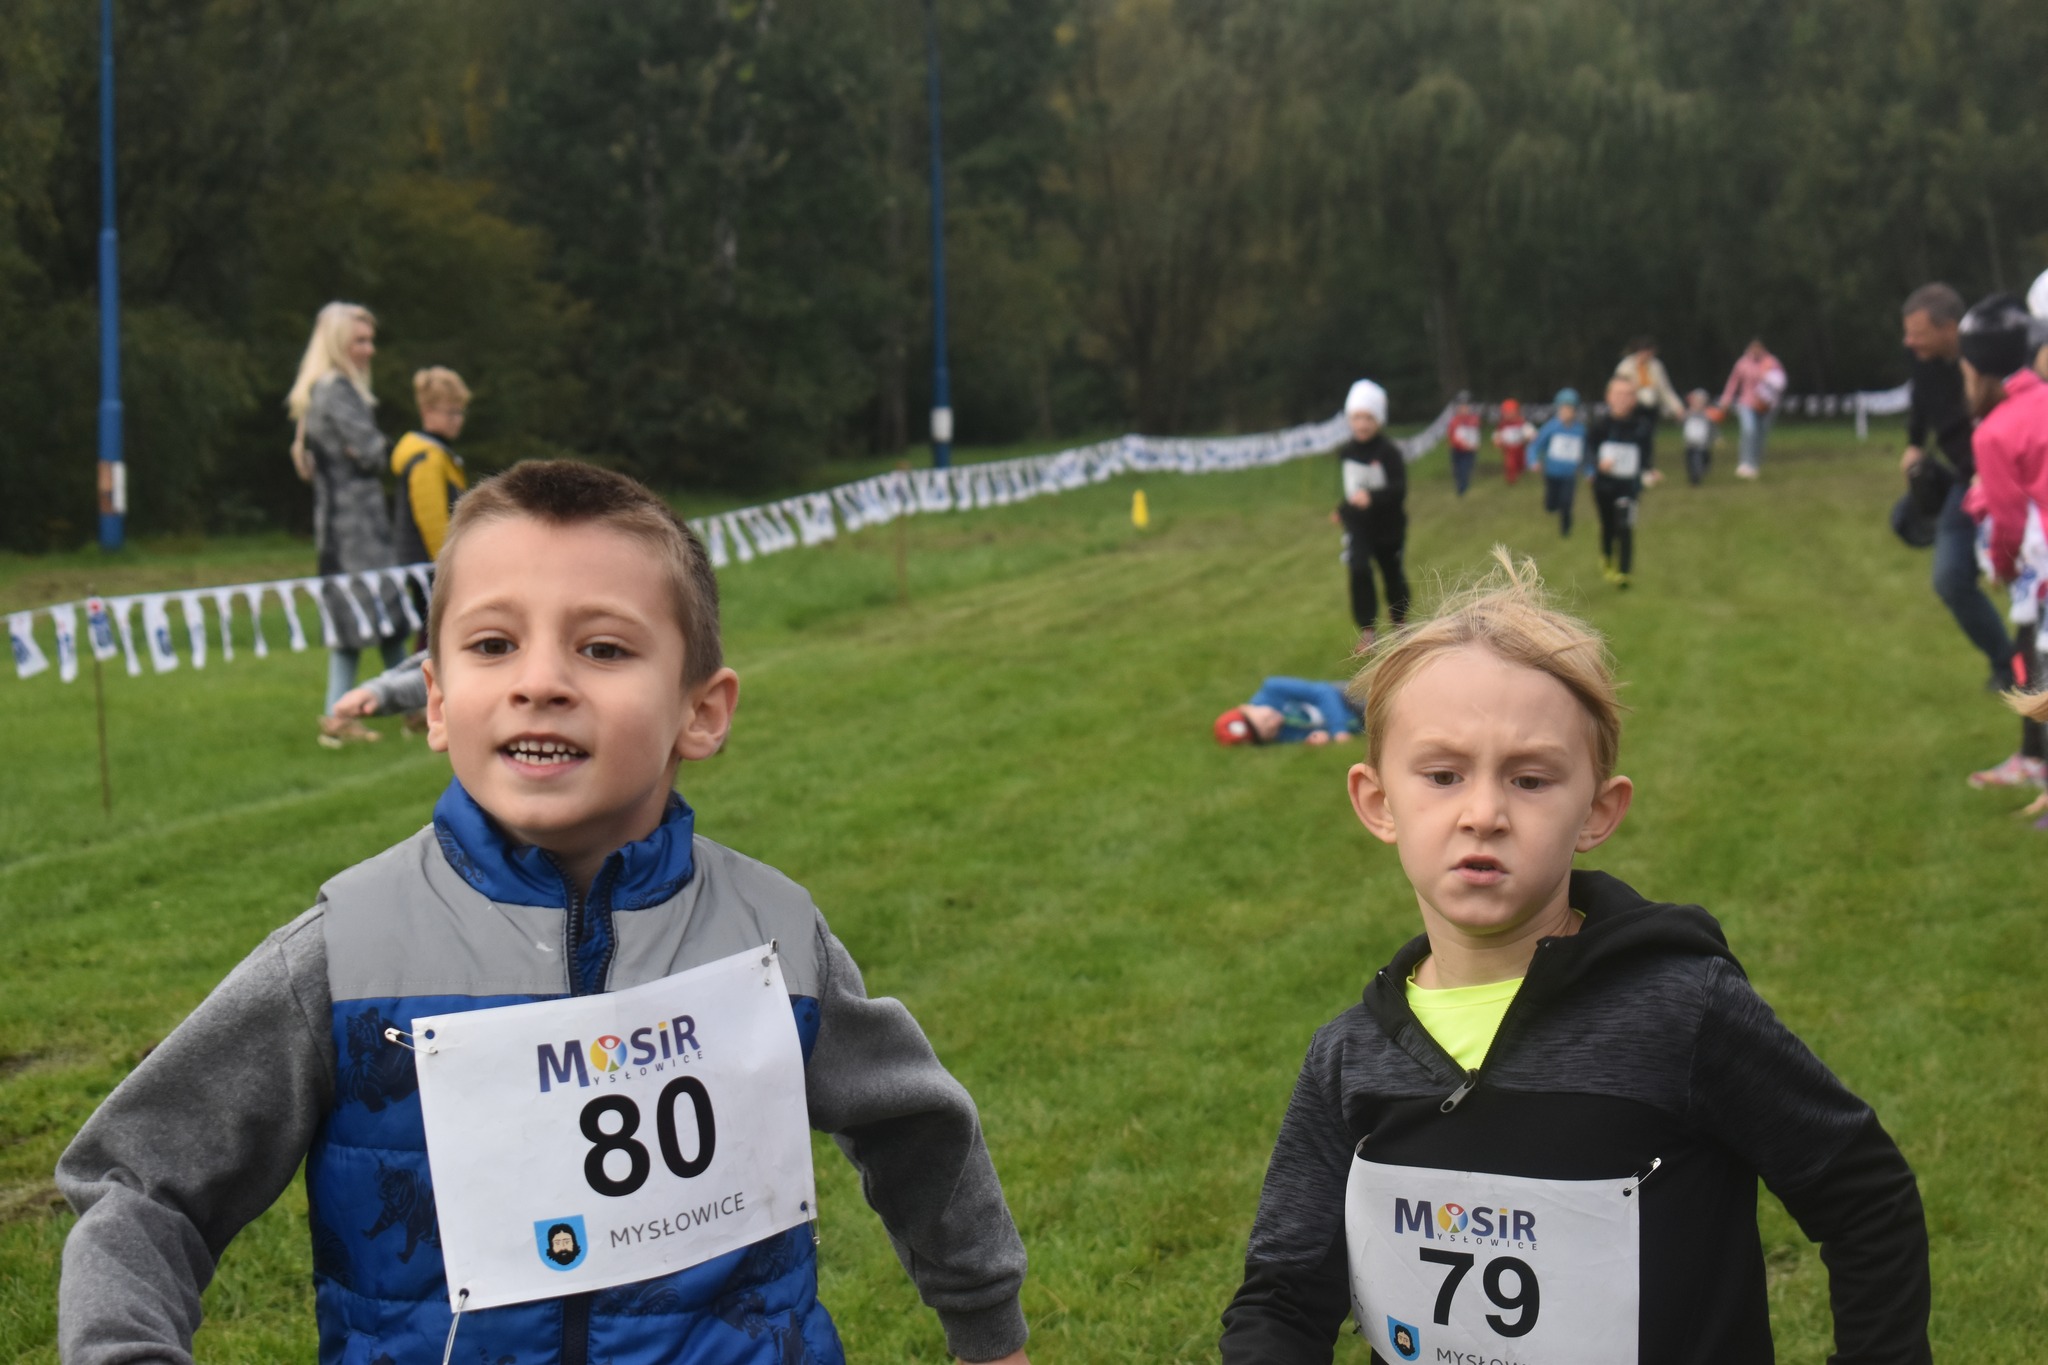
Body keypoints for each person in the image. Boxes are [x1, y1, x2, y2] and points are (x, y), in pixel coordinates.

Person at [56, 462, 1033, 1365]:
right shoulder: (348, 954)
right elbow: (141, 1180)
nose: (540, 682)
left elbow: (916, 1125)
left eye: (602, 648)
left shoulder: (773, 936)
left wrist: (989, 1330)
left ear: (701, 711)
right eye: (493, 645)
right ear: (437, 701)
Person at [1217, 551, 1930, 1364]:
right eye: (1443, 774)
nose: (1483, 812)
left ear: (1597, 810)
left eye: (1530, 779)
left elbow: (1864, 1196)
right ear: (1378, 802)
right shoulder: (1348, 1060)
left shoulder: (1680, 1013)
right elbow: (1282, 1293)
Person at [287, 301, 410, 748]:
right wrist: (373, 449)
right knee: (365, 616)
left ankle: (413, 707)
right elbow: (375, 453)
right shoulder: (336, 391)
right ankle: (345, 715)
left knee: (379, 617)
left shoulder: (320, 391)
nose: (370, 350)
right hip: (353, 528)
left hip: (346, 523)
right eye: (360, 340)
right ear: (339, 343)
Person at [1902, 284, 2020, 692]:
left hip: (2010, 481)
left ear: (1949, 328)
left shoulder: (1994, 354)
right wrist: (1914, 444)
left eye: (1918, 333)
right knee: (1950, 578)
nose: (1909, 341)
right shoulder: (1922, 361)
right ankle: (2007, 664)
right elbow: (1919, 399)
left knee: (2028, 579)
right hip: (1965, 482)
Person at [1954, 294, 2048, 799]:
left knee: (2038, 666)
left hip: (2041, 569)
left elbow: (2009, 523)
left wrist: (2002, 568)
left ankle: (2036, 766)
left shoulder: (1994, 430)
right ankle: (2033, 760)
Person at [1335, 379, 1410, 651]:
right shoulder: (1346, 452)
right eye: (1357, 418)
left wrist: (1373, 497)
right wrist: (1342, 510)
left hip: (1388, 527)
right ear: (1349, 419)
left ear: (1378, 419)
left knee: (1392, 574)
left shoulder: (1388, 452)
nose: (1362, 424)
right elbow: (1349, 489)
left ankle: (1400, 622)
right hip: (1359, 526)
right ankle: (1368, 631)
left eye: (1368, 418)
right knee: (1358, 570)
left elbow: (1399, 489)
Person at [1586, 376, 1656, 587]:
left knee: (1625, 526)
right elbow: (1588, 451)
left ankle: (1624, 571)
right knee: (1608, 525)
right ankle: (1607, 557)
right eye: (1618, 394)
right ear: (1609, 397)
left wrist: (1649, 471)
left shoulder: (1642, 427)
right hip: (1604, 486)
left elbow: (1646, 455)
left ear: (1634, 399)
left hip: (1629, 487)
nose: (1623, 399)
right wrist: (1598, 463)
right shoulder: (1599, 426)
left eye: (1628, 395)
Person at [1215, 677, 1362, 747]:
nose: (1273, 723)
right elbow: (1307, 734)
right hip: (1356, 723)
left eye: (1265, 719)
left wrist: (1338, 730)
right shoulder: (1281, 737)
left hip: (1344, 698)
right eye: (1269, 731)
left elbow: (1323, 692)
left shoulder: (1273, 689)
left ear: (1247, 707)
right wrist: (1318, 737)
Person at [1717, 338, 1787, 478]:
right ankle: (1744, 463)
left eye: (1758, 348)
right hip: (1747, 403)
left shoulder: (1771, 362)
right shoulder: (1742, 363)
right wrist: (1726, 399)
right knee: (1749, 430)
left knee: (1760, 435)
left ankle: (1754, 464)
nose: (1755, 351)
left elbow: (1781, 381)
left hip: (1767, 405)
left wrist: (1767, 378)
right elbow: (1733, 381)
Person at [1530, 387, 1586, 537]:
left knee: (1566, 502)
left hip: (1570, 474)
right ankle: (1552, 506)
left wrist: (1590, 471)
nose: (1566, 412)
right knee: (1551, 504)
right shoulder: (1551, 427)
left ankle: (1566, 529)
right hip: (1552, 472)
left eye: (1570, 409)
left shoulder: (1580, 430)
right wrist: (1533, 461)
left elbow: (1587, 453)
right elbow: (1536, 445)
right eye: (1563, 408)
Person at [1681, 388, 1719, 485]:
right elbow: (1680, 420)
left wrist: (1716, 438)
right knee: (1691, 460)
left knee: (1703, 458)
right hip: (1690, 443)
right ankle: (1694, 476)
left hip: (1703, 443)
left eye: (1701, 401)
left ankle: (1700, 470)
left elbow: (1713, 427)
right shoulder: (1688, 413)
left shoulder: (1707, 415)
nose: (1698, 404)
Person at [1491, 399, 1533, 486]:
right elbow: (1497, 434)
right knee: (1510, 463)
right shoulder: (1502, 424)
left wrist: (1529, 437)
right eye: (1506, 412)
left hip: (1520, 446)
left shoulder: (1521, 422)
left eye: (1510, 412)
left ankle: (1520, 471)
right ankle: (1511, 478)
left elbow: (1530, 432)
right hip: (1508, 447)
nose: (1508, 415)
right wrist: (1497, 440)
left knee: (1521, 462)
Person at [1447, 394, 1482, 496]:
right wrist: (1460, 443)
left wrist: (1474, 444)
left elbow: (1475, 434)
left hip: (1469, 450)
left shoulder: (1474, 420)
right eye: (1461, 407)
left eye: (1466, 407)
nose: (1463, 409)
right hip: (1457, 449)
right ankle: (1460, 484)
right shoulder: (1454, 421)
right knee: (1457, 470)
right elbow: (1452, 435)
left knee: (1465, 468)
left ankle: (1462, 488)